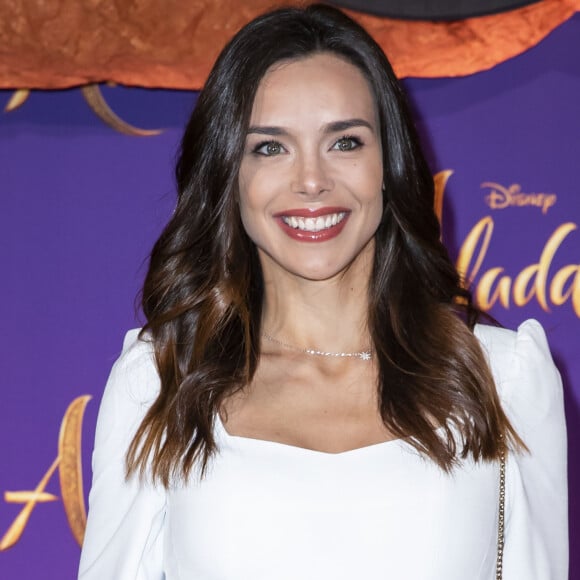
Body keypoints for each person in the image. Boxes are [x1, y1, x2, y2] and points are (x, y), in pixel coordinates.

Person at [78, 4, 568, 579]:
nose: (311, 180)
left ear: (390, 164)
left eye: (345, 143)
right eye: (270, 147)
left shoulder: (504, 378)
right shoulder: (159, 383)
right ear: (228, 177)